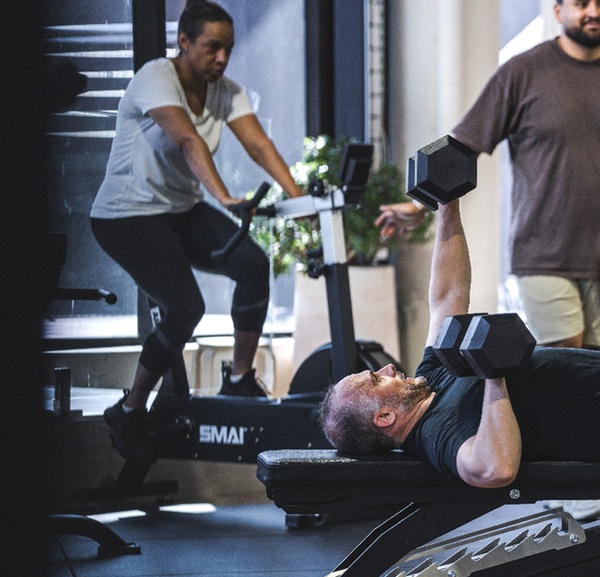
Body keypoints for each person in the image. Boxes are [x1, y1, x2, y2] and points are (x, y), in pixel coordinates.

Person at [91, 0, 303, 461]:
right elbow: (187, 139)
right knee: (186, 307)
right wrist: (224, 196)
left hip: (179, 209)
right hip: (125, 215)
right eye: (212, 47)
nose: (222, 58)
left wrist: (300, 198)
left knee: (252, 265)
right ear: (183, 41)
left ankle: (239, 380)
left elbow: (258, 143)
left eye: (229, 48)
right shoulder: (155, 77)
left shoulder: (225, 91)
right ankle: (129, 409)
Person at [321, 201, 600, 513]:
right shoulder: (437, 433)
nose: (386, 368)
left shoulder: (430, 377)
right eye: (376, 380)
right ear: (385, 417)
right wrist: (494, 376)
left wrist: (447, 206)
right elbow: (494, 470)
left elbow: (447, 295)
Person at [378, 0, 600, 350]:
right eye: (581, 3)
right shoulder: (524, 72)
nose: (594, 12)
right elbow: (463, 145)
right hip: (544, 253)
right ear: (558, 11)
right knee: (567, 361)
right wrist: (420, 204)